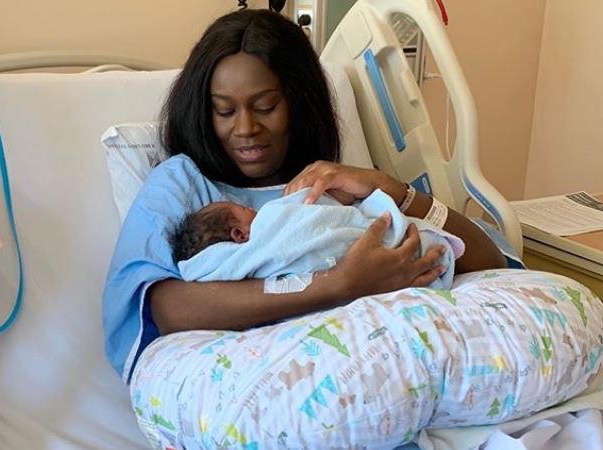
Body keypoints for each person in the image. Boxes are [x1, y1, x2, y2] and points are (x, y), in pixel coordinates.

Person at [103, 9, 509, 383]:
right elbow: (168, 308)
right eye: (224, 111)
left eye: (265, 106)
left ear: (299, 102)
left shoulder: (332, 184)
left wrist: (392, 190)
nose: (244, 128)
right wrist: (339, 284)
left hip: (387, 370)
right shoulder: (183, 182)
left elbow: (489, 263)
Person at [170, 188, 465, 290]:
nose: (255, 209)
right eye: (245, 210)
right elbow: (310, 215)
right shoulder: (271, 219)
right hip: (385, 248)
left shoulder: (238, 272)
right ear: (239, 234)